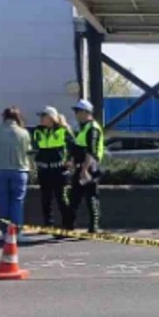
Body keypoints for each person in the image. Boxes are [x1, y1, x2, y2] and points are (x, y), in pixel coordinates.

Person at [0, 106, 32, 241]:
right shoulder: (23, 133)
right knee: (17, 201)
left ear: (4, 116)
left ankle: (4, 232)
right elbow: (28, 150)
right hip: (19, 170)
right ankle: (17, 232)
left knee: (3, 201)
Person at [65, 99, 103, 233]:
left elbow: (91, 151)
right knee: (74, 198)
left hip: (89, 168)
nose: (75, 114)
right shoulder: (83, 128)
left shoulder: (92, 128)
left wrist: (84, 170)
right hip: (82, 167)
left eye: (77, 111)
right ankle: (69, 227)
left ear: (85, 112)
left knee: (91, 198)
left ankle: (94, 228)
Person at [33, 106, 72, 227]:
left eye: (43, 116)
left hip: (59, 170)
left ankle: (67, 225)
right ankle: (48, 225)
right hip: (44, 170)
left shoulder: (63, 130)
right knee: (46, 200)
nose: (41, 119)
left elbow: (73, 147)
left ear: (51, 118)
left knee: (62, 200)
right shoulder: (38, 131)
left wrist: (69, 160)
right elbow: (35, 148)